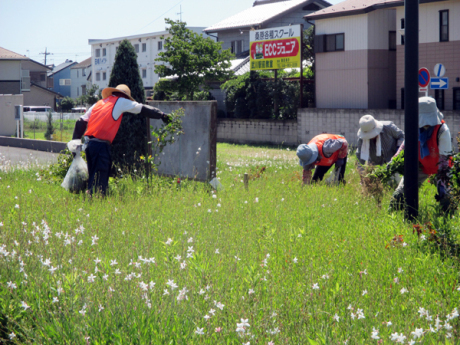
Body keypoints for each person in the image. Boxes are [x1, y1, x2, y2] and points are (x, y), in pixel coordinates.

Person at [72, 84, 171, 196]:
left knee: (93, 177)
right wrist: (162, 115)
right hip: (101, 146)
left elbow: (80, 121)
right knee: (100, 180)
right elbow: (142, 108)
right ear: (125, 96)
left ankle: (90, 199)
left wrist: (75, 143)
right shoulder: (121, 101)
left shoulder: (99, 103)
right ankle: (96, 204)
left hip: (89, 145)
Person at [389, 96, 452, 212]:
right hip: (421, 165)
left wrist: (442, 183)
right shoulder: (413, 127)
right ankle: (393, 214)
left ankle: (448, 216)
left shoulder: (442, 130)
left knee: (446, 196)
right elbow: (405, 145)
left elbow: (444, 159)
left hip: (440, 166)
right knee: (401, 192)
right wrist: (394, 159)